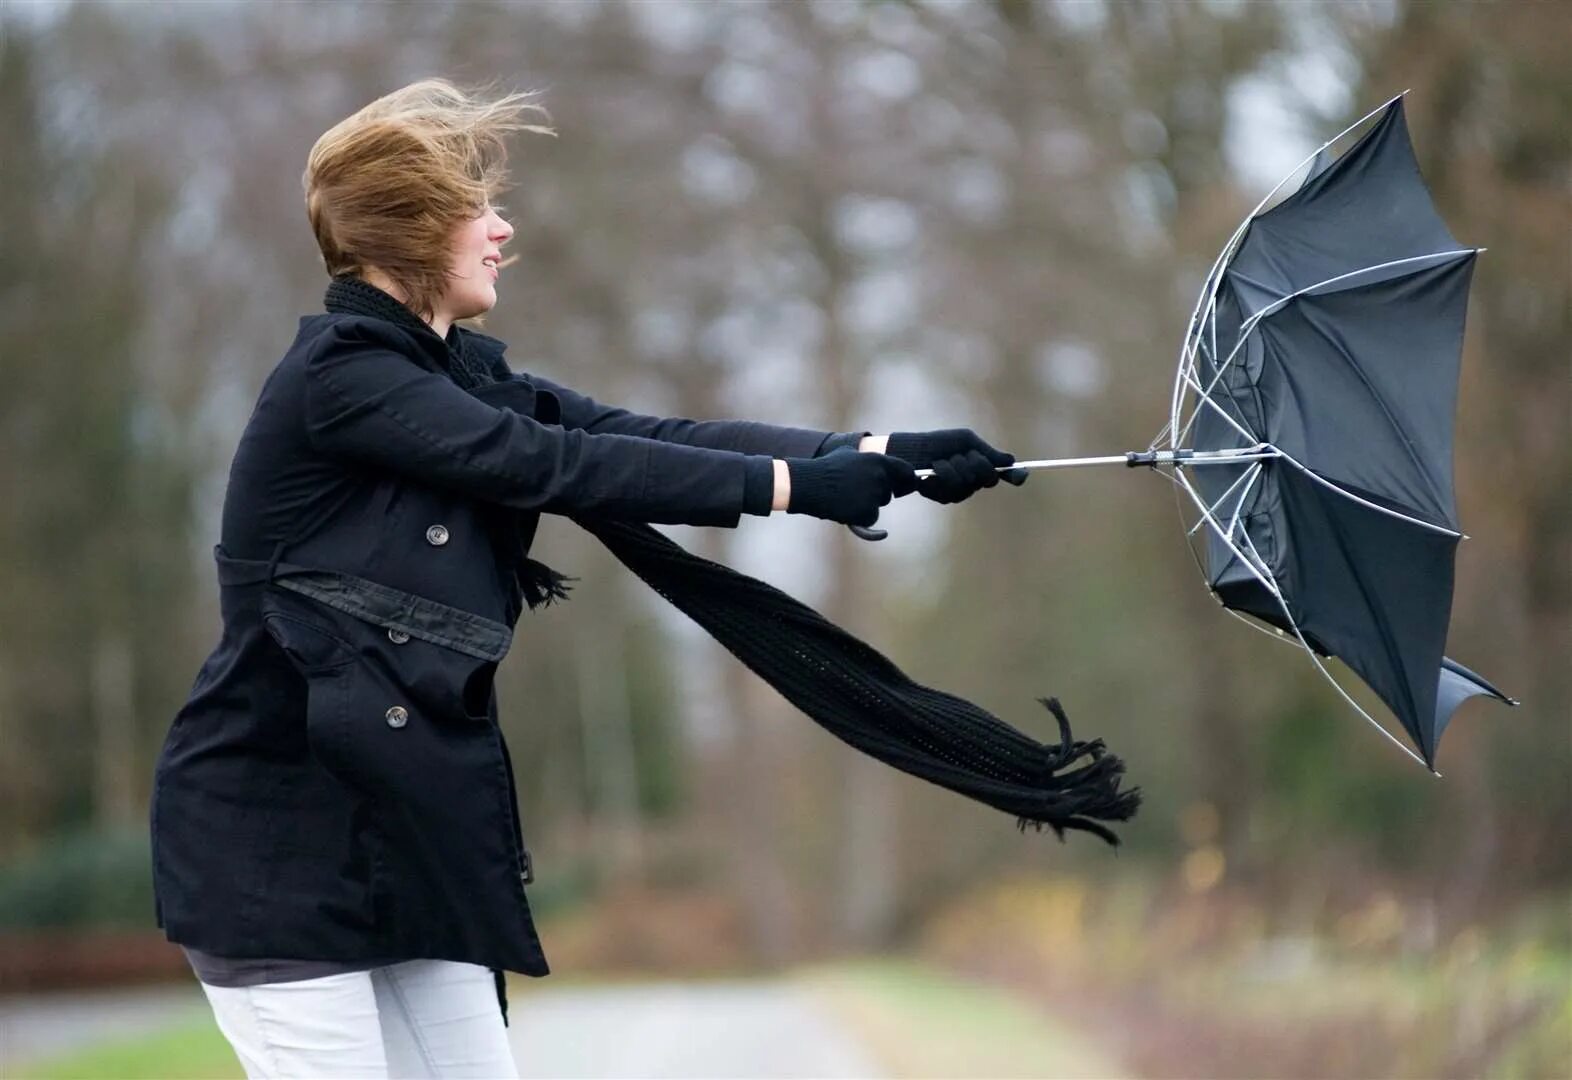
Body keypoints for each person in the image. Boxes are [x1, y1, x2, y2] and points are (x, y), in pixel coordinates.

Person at [148, 78, 1025, 1079]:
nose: (502, 230)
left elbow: (629, 433)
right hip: (274, 849)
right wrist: (795, 490)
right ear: (412, 228)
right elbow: (549, 464)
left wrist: (870, 450)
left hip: (404, 837)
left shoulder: (455, 374)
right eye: (477, 209)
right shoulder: (342, 379)